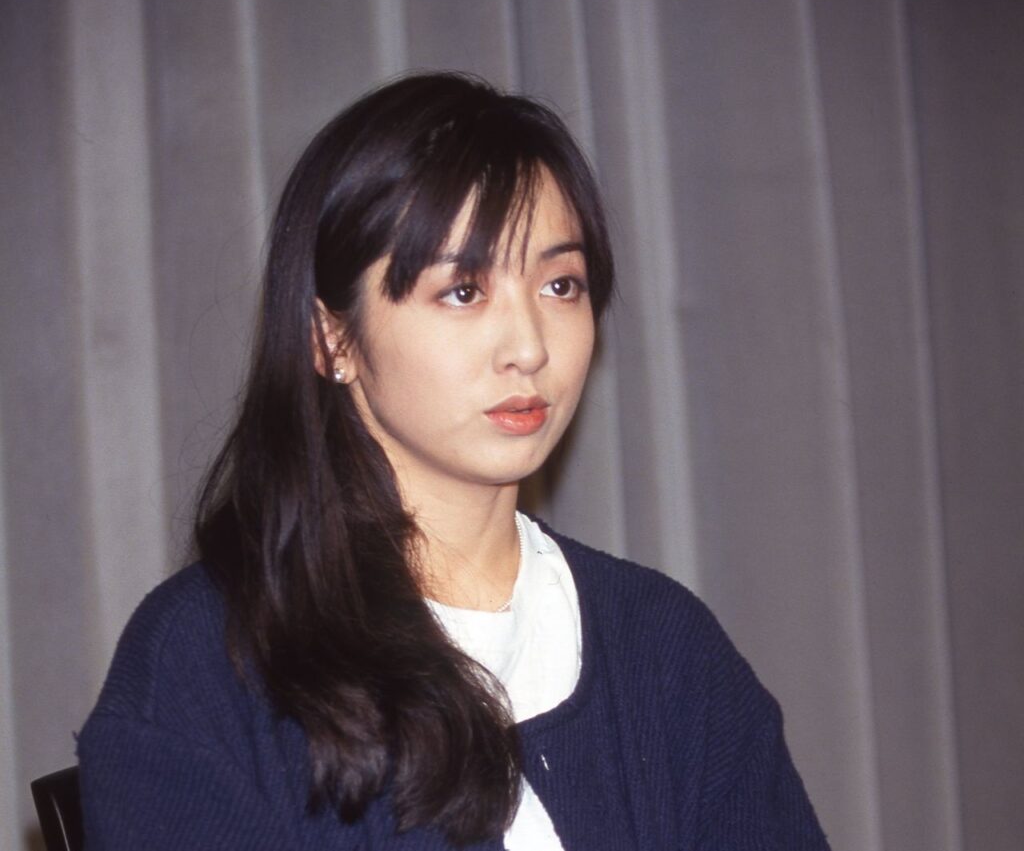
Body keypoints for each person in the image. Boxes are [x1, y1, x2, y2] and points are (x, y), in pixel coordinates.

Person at [77, 72, 830, 850]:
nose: (530, 346)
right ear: (332, 338)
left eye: (561, 284)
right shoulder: (206, 664)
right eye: (465, 291)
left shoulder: (664, 646)